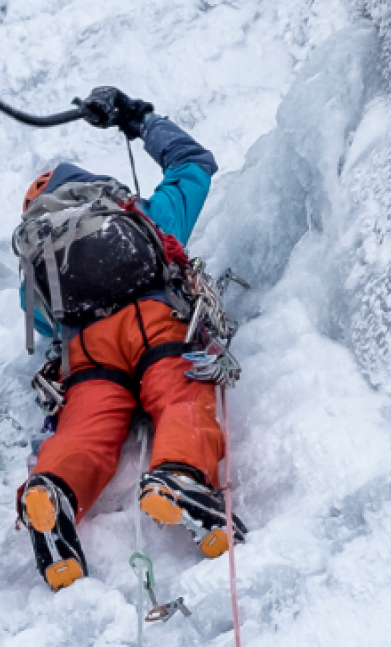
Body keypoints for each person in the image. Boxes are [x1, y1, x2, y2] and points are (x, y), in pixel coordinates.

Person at [14, 87, 245, 591]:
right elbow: (194, 164)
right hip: (156, 320)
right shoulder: (138, 215)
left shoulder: (42, 260)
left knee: (83, 432)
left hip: (87, 352)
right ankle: (179, 475)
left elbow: (42, 325)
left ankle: (54, 491)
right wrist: (138, 119)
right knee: (180, 392)